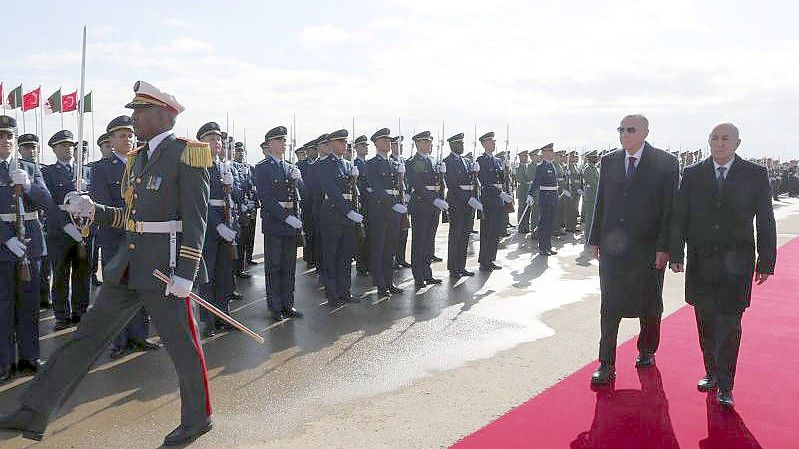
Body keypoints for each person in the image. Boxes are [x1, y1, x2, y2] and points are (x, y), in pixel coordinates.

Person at [0, 81, 214, 446]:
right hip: (129, 266)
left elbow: (197, 221)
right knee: (85, 340)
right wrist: (93, 210)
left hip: (166, 270)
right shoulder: (139, 158)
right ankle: (32, 410)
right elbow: (131, 218)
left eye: (140, 112)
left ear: (165, 115)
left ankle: (198, 419)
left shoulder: (187, 154)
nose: (134, 119)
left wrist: (186, 275)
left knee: (182, 347)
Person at [670, 123, 776, 408]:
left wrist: (766, 260)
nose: (719, 143)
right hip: (701, 261)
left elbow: (765, 219)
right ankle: (712, 372)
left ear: (737, 143)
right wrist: (676, 253)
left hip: (737, 264)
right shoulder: (693, 174)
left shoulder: (754, 174)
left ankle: (726, 385)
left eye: (725, 138)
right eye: (714, 138)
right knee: (704, 321)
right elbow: (681, 215)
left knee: (730, 324)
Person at [588, 114, 679, 386]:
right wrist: (595, 238)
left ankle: (646, 350)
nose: (624, 134)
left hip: (649, 249)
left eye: (630, 129)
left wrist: (666, 247)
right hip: (613, 248)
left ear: (645, 133)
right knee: (609, 305)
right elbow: (600, 201)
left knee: (650, 304)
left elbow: (669, 209)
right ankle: (606, 362)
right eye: (621, 129)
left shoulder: (665, 163)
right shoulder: (610, 161)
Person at [90, 115, 160, 358]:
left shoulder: (144, 164)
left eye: (130, 134)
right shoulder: (100, 169)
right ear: (111, 140)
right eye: (122, 135)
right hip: (115, 239)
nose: (128, 139)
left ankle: (139, 336)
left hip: (142, 240)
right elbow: (103, 207)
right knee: (118, 292)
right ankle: (119, 342)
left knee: (139, 289)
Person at [0, 116, 51, 383]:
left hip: (30, 244)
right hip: (3, 245)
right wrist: (6, 238)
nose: (5, 141)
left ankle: (29, 357)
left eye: (9, 136)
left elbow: (47, 202)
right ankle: (4, 362)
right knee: (4, 305)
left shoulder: (30, 167)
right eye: (0, 136)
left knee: (29, 304)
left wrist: (29, 185)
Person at [253, 126, 304, 320]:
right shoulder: (263, 167)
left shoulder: (291, 167)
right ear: (270, 144)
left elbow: (303, 195)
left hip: (291, 222)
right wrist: (285, 216)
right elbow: (265, 198)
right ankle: (275, 306)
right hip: (275, 223)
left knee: (289, 266)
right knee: (274, 266)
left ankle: (288, 304)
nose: (284, 144)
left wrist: (298, 181)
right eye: (280, 140)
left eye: (284, 140)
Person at [42, 130, 91, 331]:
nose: (68, 149)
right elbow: (49, 205)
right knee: (61, 273)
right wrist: (67, 225)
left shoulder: (85, 171)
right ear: (54, 149)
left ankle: (81, 312)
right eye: (63, 146)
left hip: (85, 228)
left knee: (82, 273)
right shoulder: (48, 173)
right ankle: (62, 314)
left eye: (71, 145)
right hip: (60, 232)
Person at [196, 122, 241, 337]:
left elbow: (236, 197)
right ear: (202, 142)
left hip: (227, 223)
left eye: (219, 140)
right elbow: (200, 202)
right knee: (208, 275)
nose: (217, 143)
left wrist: (233, 185)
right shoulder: (199, 166)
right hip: (208, 228)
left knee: (225, 274)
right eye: (212, 139)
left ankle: (224, 315)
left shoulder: (225, 167)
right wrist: (217, 225)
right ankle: (208, 320)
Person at [318, 129, 363, 306]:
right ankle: (333, 295)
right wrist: (348, 211)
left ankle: (345, 292)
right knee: (331, 257)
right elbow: (332, 191)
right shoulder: (324, 165)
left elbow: (351, 192)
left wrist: (354, 180)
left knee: (345, 257)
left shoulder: (347, 165)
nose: (345, 145)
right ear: (331, 144)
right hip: (332, 215)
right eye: (341, 142)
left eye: (345, 142)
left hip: (347, 217)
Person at [366, 128, 406, 297]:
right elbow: (375, 189)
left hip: (394, 212)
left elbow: (398, 189)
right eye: (383, 140)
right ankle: (381, 284)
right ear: (375, 143)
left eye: (389, 140)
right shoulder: (371, 164)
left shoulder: (395, 164)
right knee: (379, 248)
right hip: (380, 211)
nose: (387, 143)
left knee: (391, 248)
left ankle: (390, 281)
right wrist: (392, 204)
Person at [405, 131, 447, 288]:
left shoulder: (434, 160)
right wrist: (434, 199)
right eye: (425, 142)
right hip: (422, 205)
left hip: (434, 206)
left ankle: (428, 273)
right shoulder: (413, 162)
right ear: (418, 144)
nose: (429, 144)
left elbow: (438, 183)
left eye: (429, 141)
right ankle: (418, 276)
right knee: (419, 241)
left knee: (429, 241)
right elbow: (418, 185)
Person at [17, 134, 52, 309]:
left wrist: (29, 185)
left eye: (34, 147)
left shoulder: (34, 169)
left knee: (39, 275)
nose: (31, 151)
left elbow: (46, 200)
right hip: (10, 231)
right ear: (20, 150)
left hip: (35, 228)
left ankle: (43, 298)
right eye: (27, 147)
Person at [444, 133, 481, 278]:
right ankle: (453, 268)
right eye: (459, 143)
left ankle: (461, 266)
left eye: (462, 143)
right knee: (456, 235)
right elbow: (453, 185)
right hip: (457, 201)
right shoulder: (447, 161)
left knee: (465, 235)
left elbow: (471, 182)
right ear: (452, 145)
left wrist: (475, 172)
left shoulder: (466, 161)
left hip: (468, 202)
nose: (462, 146)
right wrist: (468, 199)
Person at [476, 132, 511, 271]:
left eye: (494, 142)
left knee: (496, 231)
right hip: (488, 199)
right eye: (490, 142)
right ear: (484, 144)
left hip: (498, 200)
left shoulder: (497, 161)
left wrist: (506, 168)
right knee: (487, 231)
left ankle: (491, 259)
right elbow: (484, 182)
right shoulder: (481, 160)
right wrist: (500, 193)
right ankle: (484, 260)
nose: (493, 144)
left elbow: (501, 180)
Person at [526, 143, 559, 255]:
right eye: (551, 152)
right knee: (544, 224)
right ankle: (542, 248)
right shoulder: (541, 166)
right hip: (545, 198)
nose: (553, 153)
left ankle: (548, 246)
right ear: (545, 153)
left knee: (550, 223)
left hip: (553, 197)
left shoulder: (551, 165)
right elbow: (536, 182)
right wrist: (530, 194)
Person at [353, 135, 370, 276]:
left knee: (369, 235)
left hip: (371, 204)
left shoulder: (368, 163)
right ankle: (361, 264)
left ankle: (367, 262)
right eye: (362, 146)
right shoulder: (355, 164)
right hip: (362, 203)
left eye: (366, 146)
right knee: (361, 235)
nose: (365, 148)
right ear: (356, 148)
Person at [581, 150, 599, 239]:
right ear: (590, 158)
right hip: (591, 196)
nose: (597, 158)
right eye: (594, 157)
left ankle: (592, 236)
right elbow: (593, 183)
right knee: (590, 218)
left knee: (593, 218)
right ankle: (588, 237)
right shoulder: (588, 169)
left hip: (594, 196)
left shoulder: (595, 168)